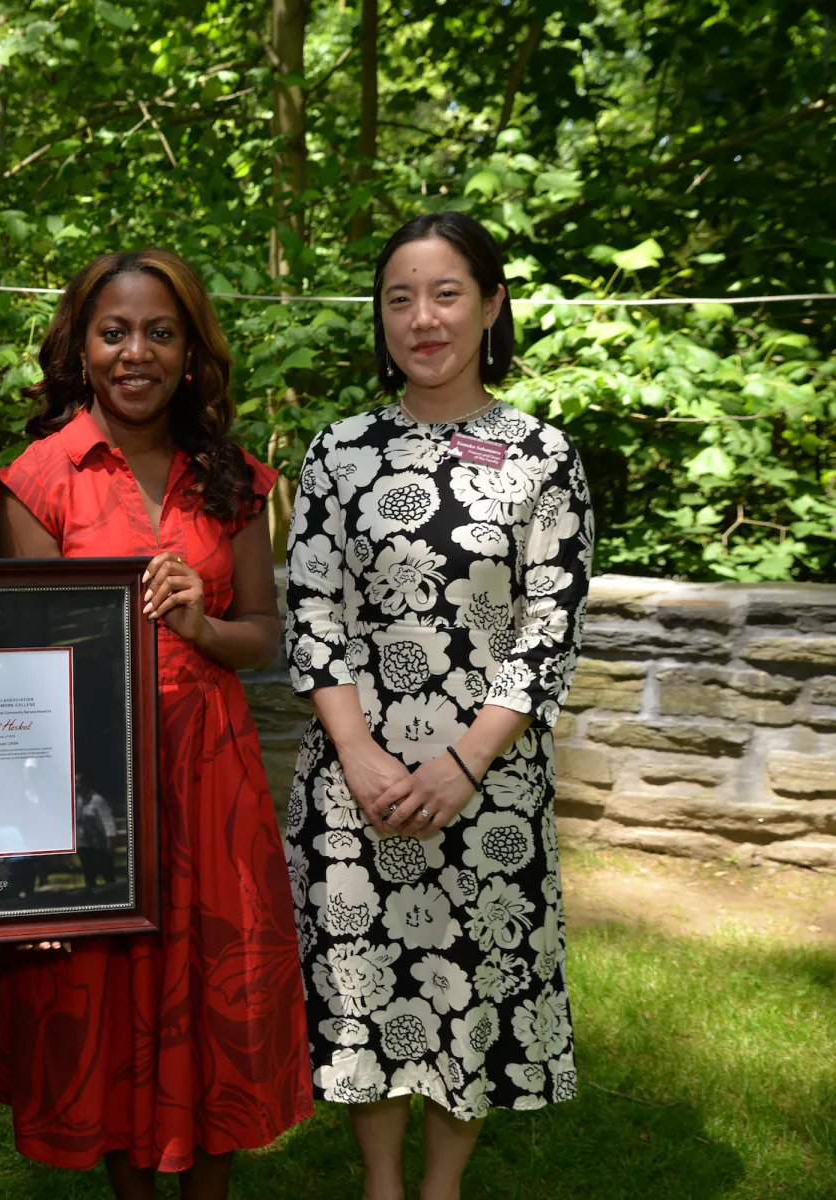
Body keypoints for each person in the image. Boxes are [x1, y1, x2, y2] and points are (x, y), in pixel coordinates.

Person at [0, 249, 313, 1197]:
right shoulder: (39, 481)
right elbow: (25, 674)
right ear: (81, 348)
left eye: (160, 332)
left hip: (212, 779)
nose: (138, 352)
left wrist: (199, 623)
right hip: (90, 784)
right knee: (115, 1007)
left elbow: (260, 635)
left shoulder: (234, 481)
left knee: (212, 1013)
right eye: (114, 331)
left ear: (190, 349)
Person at [284, 210, 593, 1200]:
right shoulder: (338, 452)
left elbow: (551, 624)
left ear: (491, 304)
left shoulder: (542, 456)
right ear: (378, 318)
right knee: (368, 981)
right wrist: (361, 756)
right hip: (355, 782)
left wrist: (463, 763)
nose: (423, 318)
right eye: (399, 298)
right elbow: (312, 609)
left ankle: (442, 1184)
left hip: (485, 783)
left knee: (472, 970)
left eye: (446, 293)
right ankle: (380, 1181)